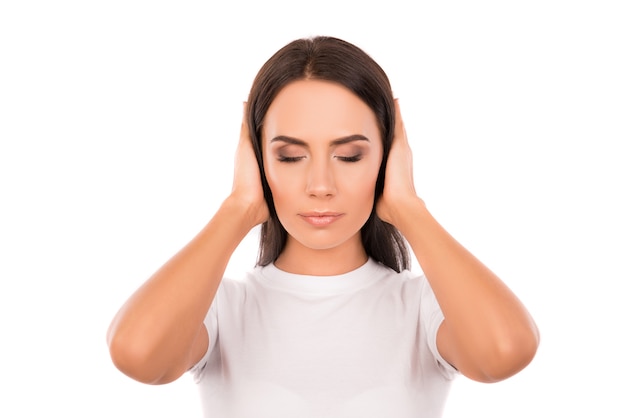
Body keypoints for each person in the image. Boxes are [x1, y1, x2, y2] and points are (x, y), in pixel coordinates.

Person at [107, 36, 540, 417]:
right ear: (258, 161)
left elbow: (503, 353)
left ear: (387, 157)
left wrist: (409, 208)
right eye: (290, 157)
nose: (320, 186)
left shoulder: (423, 307)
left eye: (349, 155)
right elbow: (138, 356)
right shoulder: (220, 309)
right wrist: (238, 208)